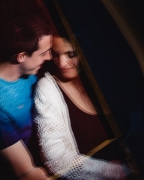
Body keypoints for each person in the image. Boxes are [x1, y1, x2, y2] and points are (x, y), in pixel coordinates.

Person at [34, 35, 130, 179]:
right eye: (56, 55)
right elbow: (56, 160)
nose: (61, 63)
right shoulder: (48, 89)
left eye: (71, 54)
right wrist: (116, 171)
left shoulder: (110, 79)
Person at [0, 15, 54, 179]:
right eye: (43, 53)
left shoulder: (31, 70)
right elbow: (27, 173)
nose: (49, 57)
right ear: (21, 56)